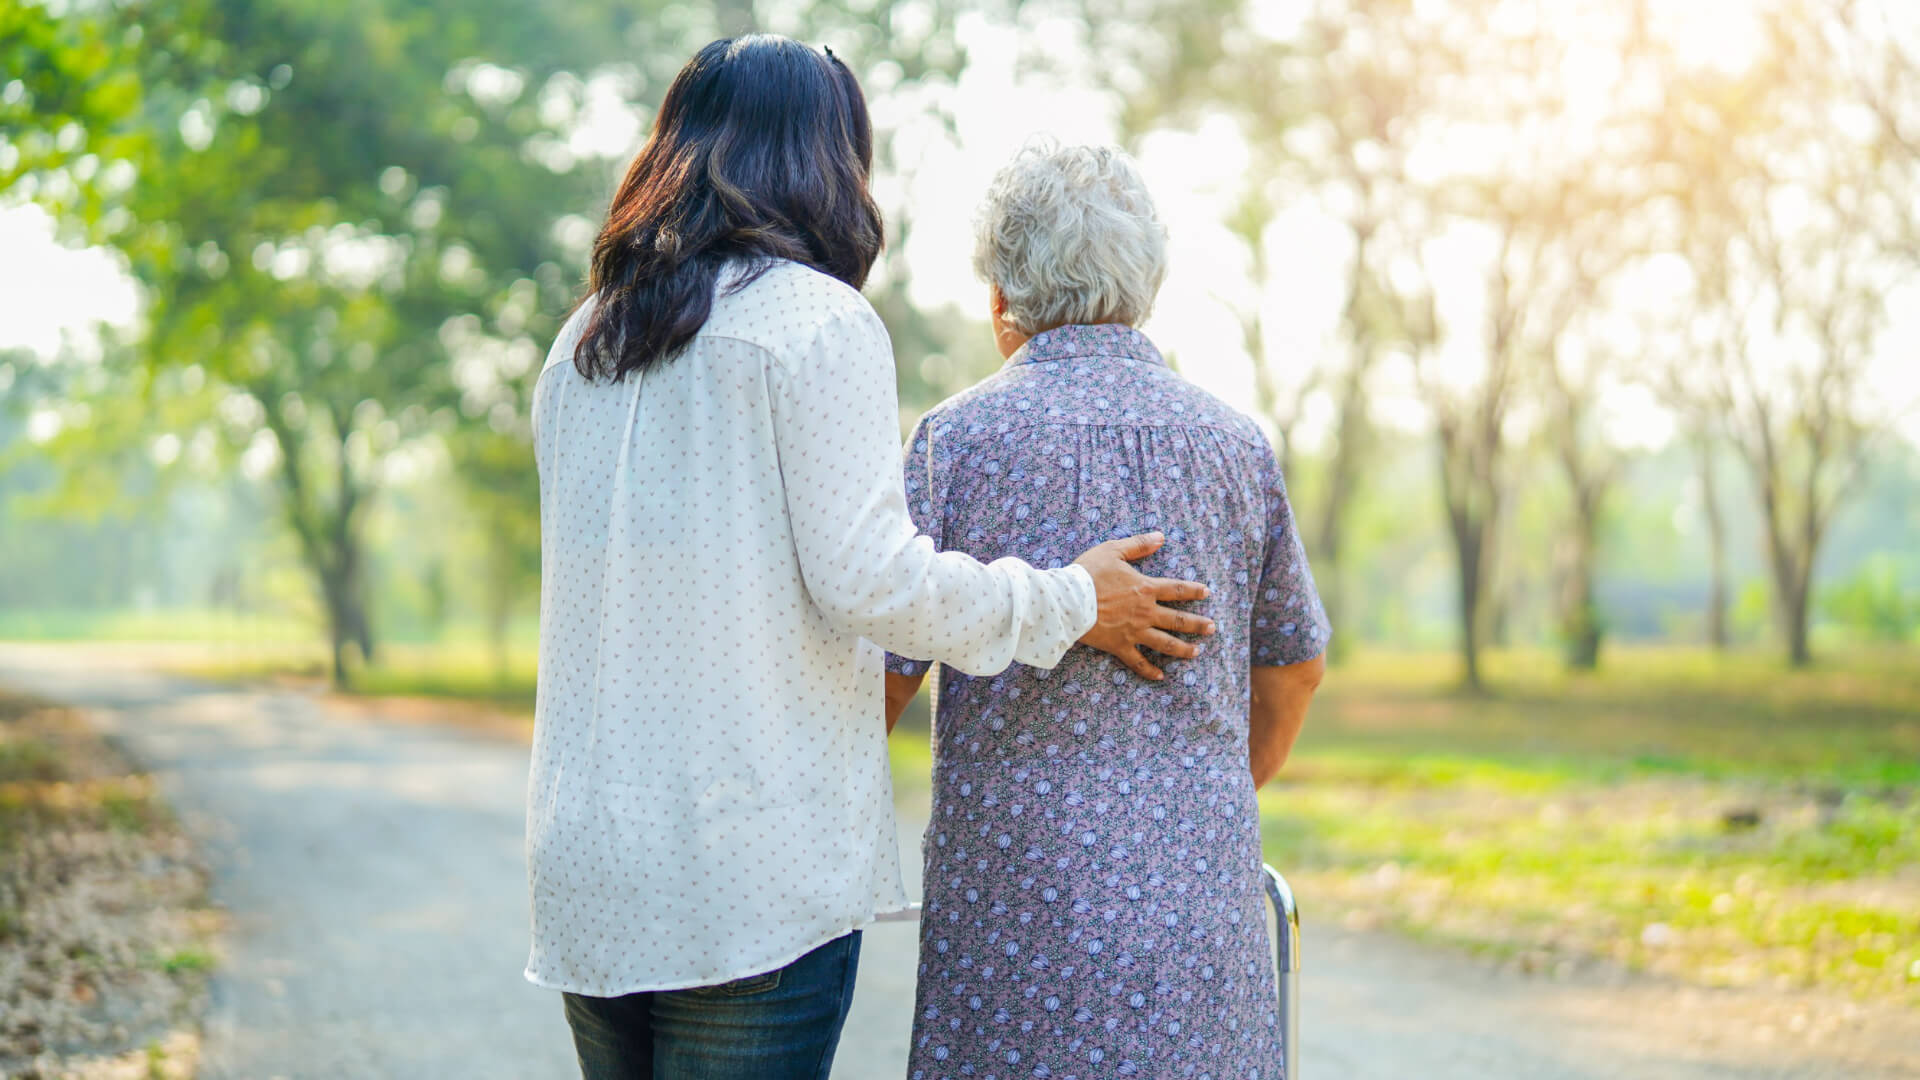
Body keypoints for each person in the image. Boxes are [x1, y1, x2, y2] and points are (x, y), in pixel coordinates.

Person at [526, 39, 1216, 1080]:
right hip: (744, 875)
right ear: (828, 163)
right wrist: (1074, 599)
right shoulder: (815, 322)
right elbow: (876, 583)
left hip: (591, 864)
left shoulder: (584, 341)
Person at [882, 141, 1330, 1080]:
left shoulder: (953, 446)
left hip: (1010, 916)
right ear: (1150, 284)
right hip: (1195, 916)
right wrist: (1196, 806)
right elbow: (1294, 667)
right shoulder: (1235, 448)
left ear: (1002, 298)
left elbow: (879, 677)